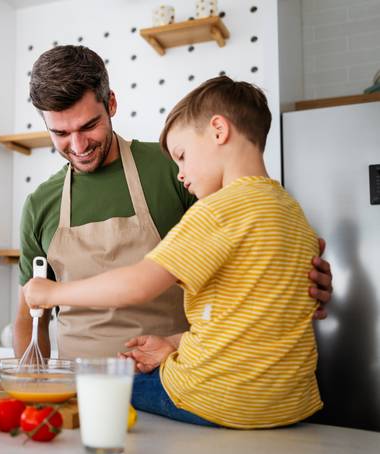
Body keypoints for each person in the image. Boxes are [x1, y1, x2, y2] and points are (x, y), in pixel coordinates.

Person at [24, 76, 323, 429]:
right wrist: (173, 344)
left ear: (218, 131)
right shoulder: (293, 211)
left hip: (208, 395)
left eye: (183, 157)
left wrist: (54, 293)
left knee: (104, 388)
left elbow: (138, 284)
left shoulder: (211, 207)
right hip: (288, 403)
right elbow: (242, 318)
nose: (181, 174)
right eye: (60, 133)